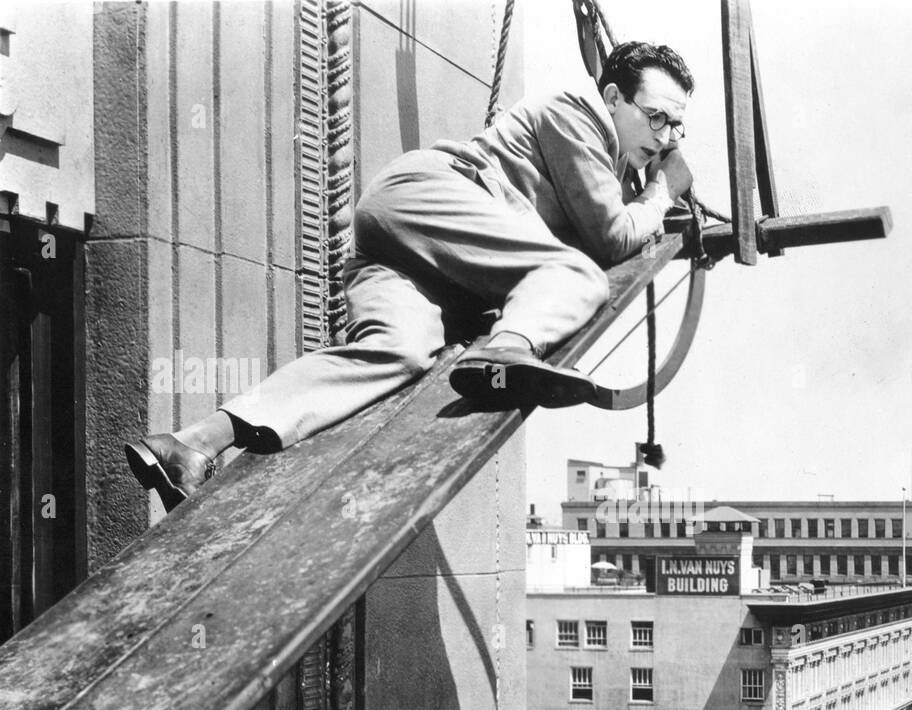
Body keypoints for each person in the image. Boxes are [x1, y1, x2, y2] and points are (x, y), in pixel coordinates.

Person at [126, 42, 696, 511]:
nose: (667, 136)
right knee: (575, 273)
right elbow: (611, 238)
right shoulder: (576, 113)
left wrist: (643, 191)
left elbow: (613, 222)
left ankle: (191, 445)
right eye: (656, 117)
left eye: (676, 126)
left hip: (412, 255)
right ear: (614, 98)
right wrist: (664, 188)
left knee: (397, 353)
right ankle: (507, 351)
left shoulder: (615, 162)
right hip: (433, 195)